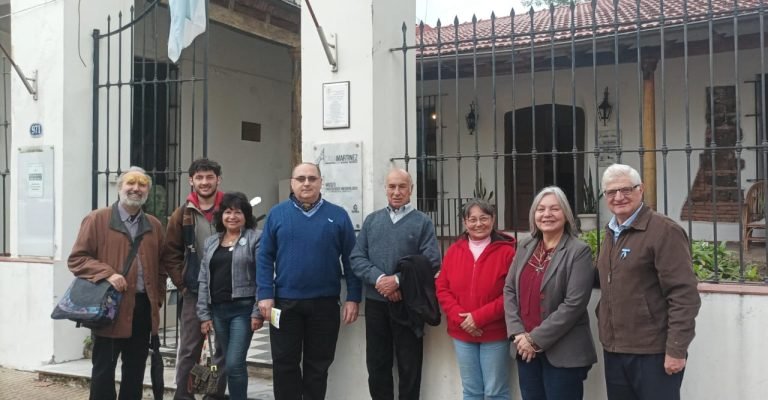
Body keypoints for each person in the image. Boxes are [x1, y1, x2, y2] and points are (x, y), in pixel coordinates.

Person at [256, 162, 362, 400]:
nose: (306, 183)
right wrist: (264, 293)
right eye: (301, 178)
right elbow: (264, 257)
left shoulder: (338, 215)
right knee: (284, 365)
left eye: (312, 178)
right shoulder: (277, 214)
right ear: (292, 183)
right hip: (284, 304)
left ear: (321, 182)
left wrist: (354, 297)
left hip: (324, 304)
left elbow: (351, 259)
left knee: (318, 366)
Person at [596, 164, 701, 400]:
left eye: (626, 189)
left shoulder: (664, 231)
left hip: (653, 351)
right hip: (615, 349)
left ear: (640, 189)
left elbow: (684, 295)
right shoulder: (612, 231)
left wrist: (676, 349)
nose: (619, 197)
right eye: (611, 192)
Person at [67, 167, 167, 400]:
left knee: (135, 371)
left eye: (142, 184)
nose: (136, 188)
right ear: (119, 187)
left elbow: (162, 265)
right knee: (104, 370)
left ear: (148, 191)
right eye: (130, 183)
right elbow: (77, 259)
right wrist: (107, 274)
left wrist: (158, 297)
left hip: (142, 309)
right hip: (110, 308)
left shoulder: (154, 225)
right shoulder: (97, 219)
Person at [350, 168, 442, 400]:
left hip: (408, 305)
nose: (397, 191)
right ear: (386, 189)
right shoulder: (372, 221)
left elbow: (431, 261)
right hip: (376, 304)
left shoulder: (423, 222)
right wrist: (380, 280)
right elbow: (357, 258)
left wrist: (398, 282)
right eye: (392, 186)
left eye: (402, 186)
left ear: (411, 189)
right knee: (377, 365)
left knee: (409, 366)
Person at [503, 186, 597, 400]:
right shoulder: (525, 246)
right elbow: (509, 290)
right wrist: (518, 335)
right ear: (533, 214)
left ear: (565, 214)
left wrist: (534, 340)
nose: (547, 214)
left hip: (563, 352)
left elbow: (574, 305)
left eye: (554, 209)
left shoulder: (578, 251)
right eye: (541, 209)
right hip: (525, 350)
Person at [436, 199, 516, 400]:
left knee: (495, 392)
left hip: (494, 332)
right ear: (465, 222)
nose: (478, 224)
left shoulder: (508, 252)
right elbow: (442, 288)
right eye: (472, 219)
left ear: (493, 219)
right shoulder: (454, 251)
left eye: (484, 218)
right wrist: (462, 319)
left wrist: (478, 318)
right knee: (471, 391)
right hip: (462, 332)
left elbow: (511, 292)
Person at [164, 158, 228, 400]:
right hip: (194, 291)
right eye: (199, 178)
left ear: (218, 180)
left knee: (221, 350)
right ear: (191, 180)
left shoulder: (230, 209)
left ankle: (213, 396)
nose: (204, 182)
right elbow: (170, 253)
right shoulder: (182, 213)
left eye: (209, 177)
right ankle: (184, 397)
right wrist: (182, 283)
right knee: (190, 349)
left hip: (227, 292)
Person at [197, 192, 263, 400]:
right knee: (224, 360)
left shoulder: (256, 238)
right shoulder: (211, 242)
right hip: (217, 311)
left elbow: (263, 276)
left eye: (237, 212)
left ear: (246, 216)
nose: (232, 216)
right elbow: (203, 279)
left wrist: (257, 311)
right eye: (227, 212)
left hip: (242, 310)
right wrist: (204, 315)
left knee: (235, 363)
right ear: (221, 216)